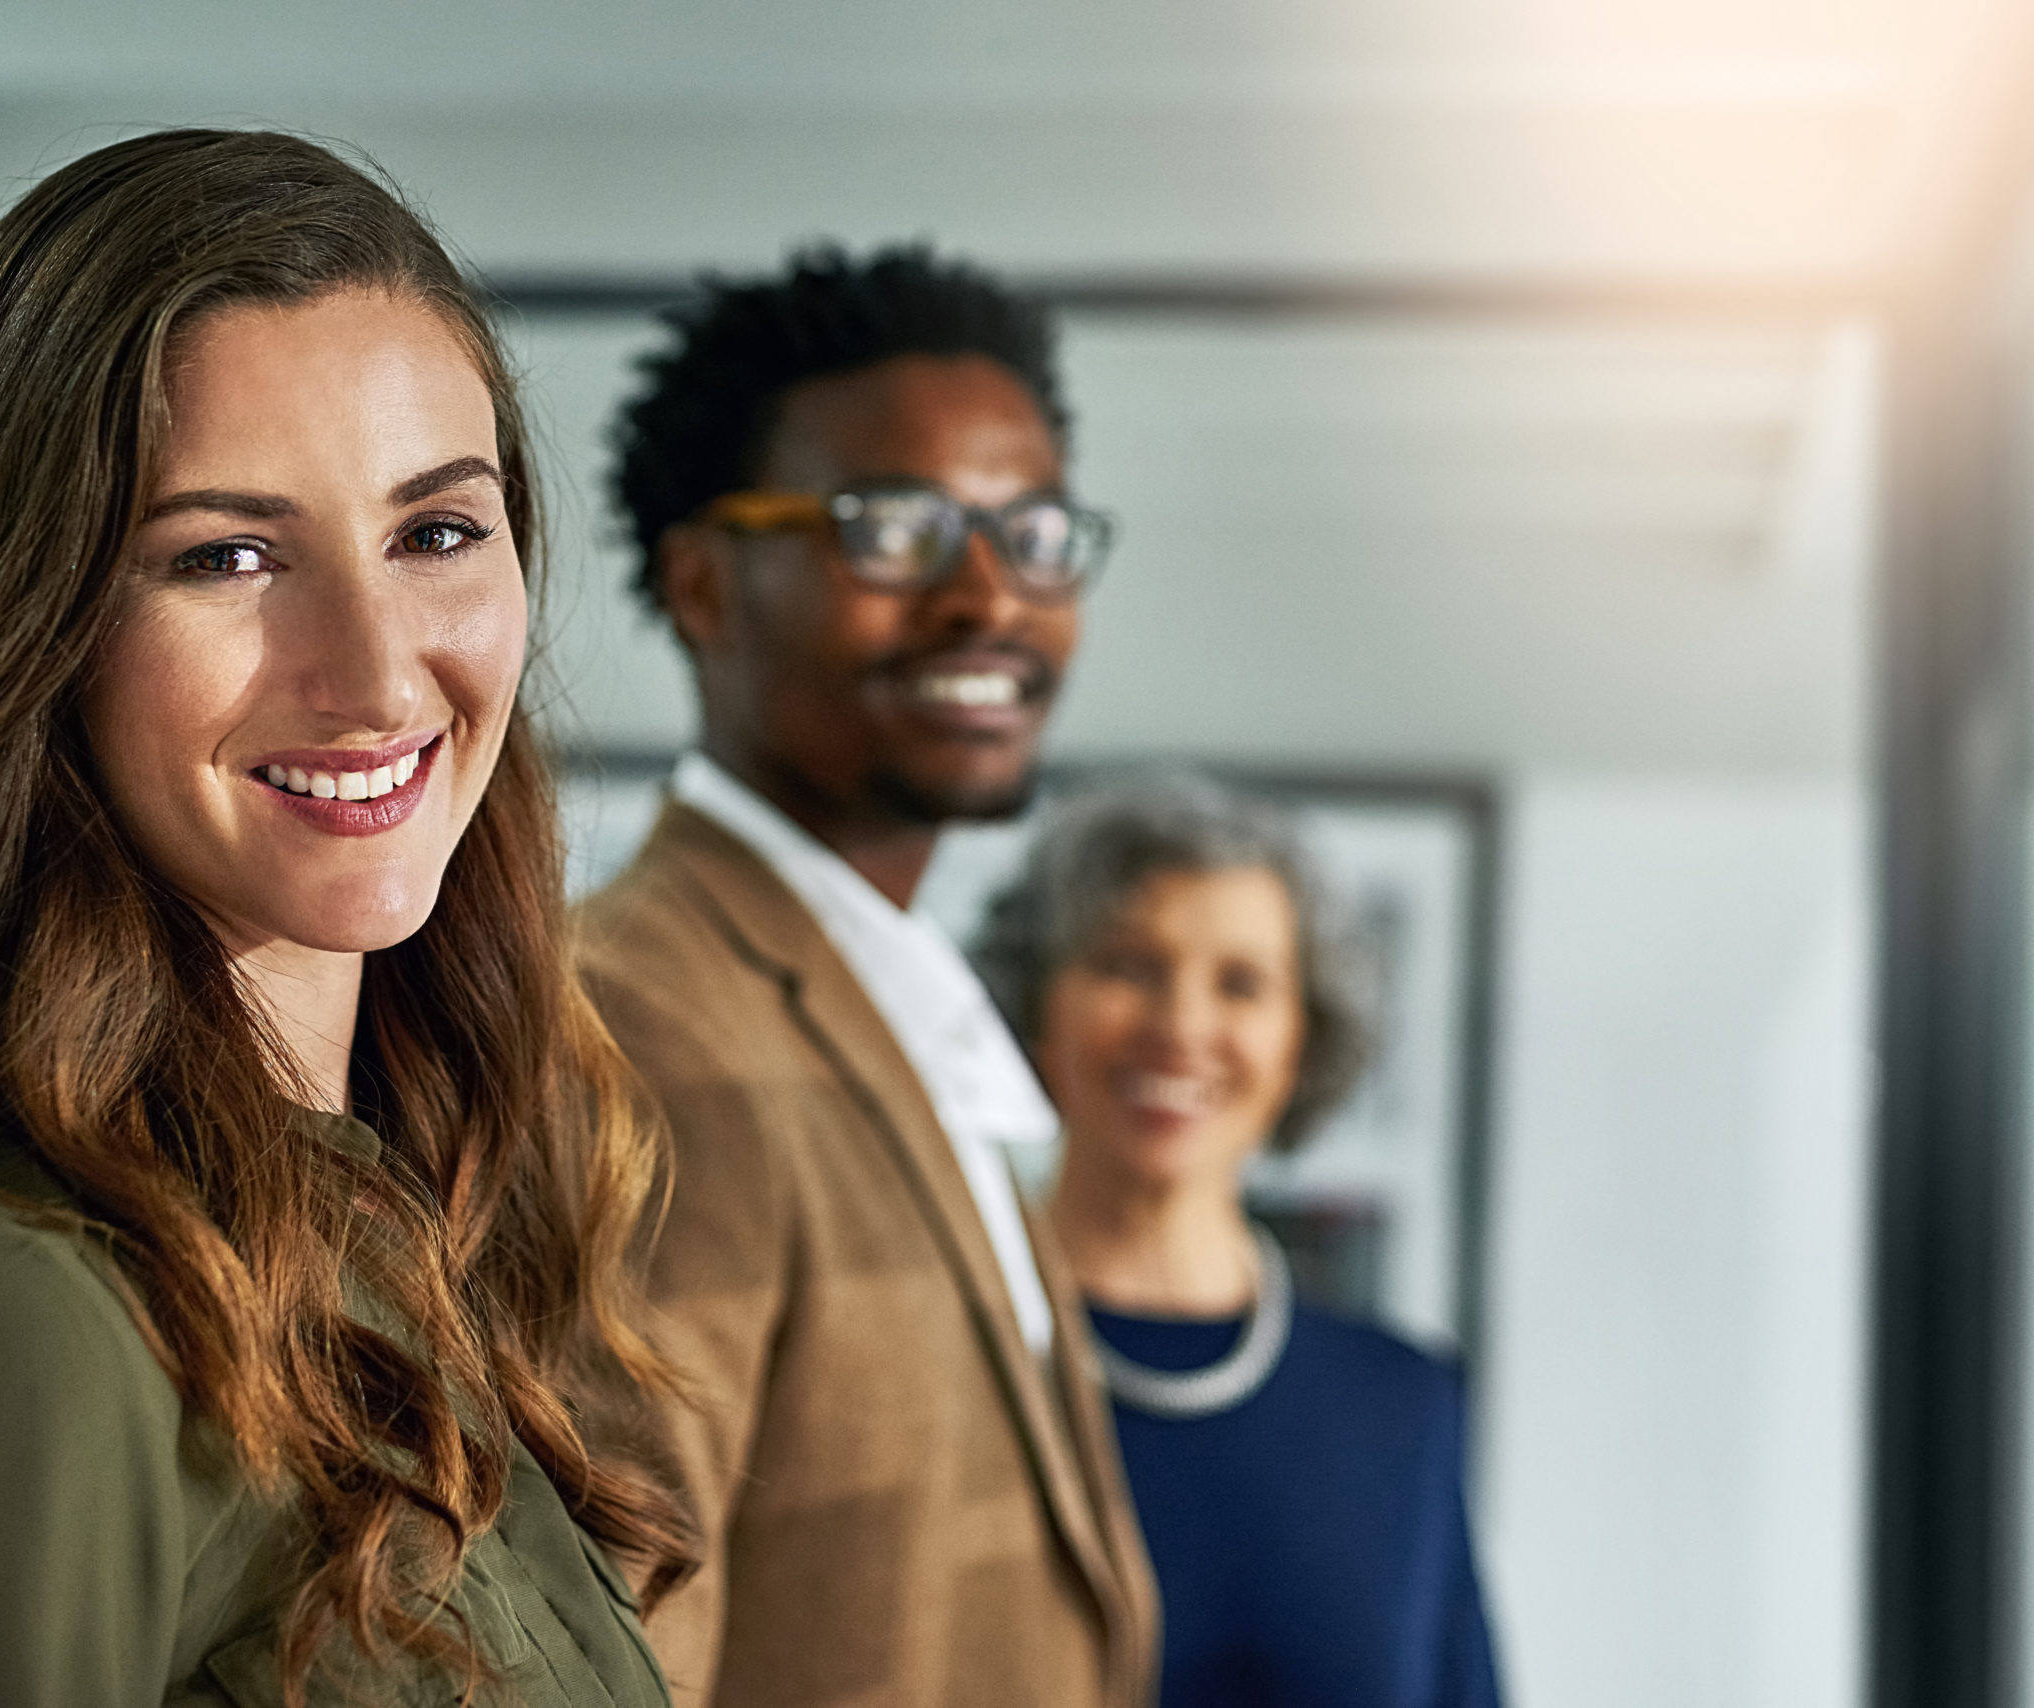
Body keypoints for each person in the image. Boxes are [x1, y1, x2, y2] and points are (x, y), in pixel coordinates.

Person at [0, 129, 692, 1708]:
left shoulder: (391, 1233)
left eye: (436, 533)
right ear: (25, 632)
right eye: (228, 555)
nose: (382, 674)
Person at [578, 246, 1158, 1708]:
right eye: (893, 528)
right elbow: (612, 1655)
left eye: (1032, 534)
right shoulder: (639, 1019)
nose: (989, 598)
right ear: (703, 580)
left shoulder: (891, 1010)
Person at [971, 785, 1503, 1708]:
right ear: (1033, 1009)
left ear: (1304, 1036)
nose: (1181, 1027)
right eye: (1128, 966)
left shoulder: (1400, 1406)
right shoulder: (936, 1361)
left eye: (1242, 982)